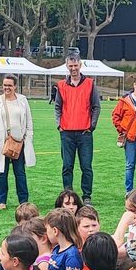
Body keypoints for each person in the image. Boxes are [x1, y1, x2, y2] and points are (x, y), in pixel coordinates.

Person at [55, 52, 100, 206]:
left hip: (84, 133)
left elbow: (96, 107)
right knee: (67, 166)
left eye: (75, 65)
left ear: (80, 65)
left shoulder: (89, 84)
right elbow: (57, 107)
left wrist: (91, 126)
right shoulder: (61, 85)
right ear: (67, 66)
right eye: (70, 66)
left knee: (86, 166)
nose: (73, 68)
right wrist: (59, 125)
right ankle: (68, 195)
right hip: (66, 133)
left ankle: (86, 196)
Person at [0, 75, 36, 210]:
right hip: (1, 143)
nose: (7, 88)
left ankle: (23, 201)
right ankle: (1, 201)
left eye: (9, 85)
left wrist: (28, 137)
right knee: (1, 172)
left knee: (20, 173)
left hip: (19, 143)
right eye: (5, 85)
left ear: (15, 86)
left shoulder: (22, 100)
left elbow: (29, 121)